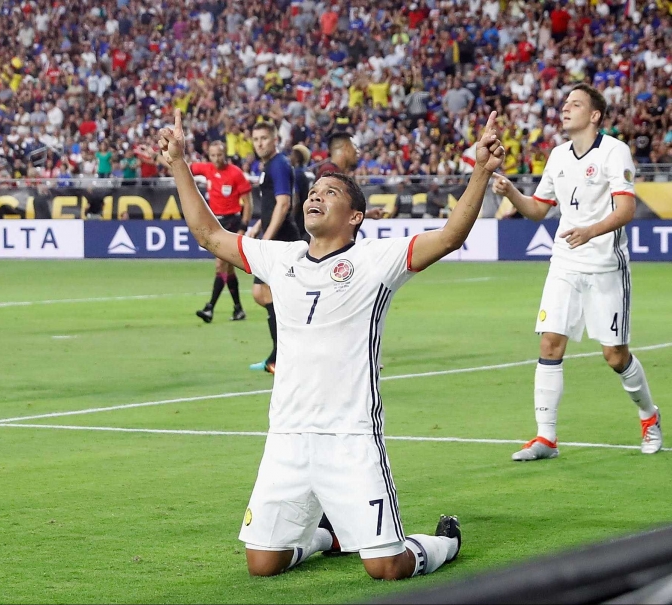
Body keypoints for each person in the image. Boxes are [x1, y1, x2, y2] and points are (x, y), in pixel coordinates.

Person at [158, 108, 504, 580]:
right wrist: (179, 162)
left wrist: (481, 170)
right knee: (263, 564)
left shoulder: (376, 259)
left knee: (386, 566)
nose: (315, 197)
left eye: (331, 193)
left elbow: (449, 236)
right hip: (288, 437)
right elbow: (208, 234)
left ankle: (442, 542)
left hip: (350, 437)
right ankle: (330, 536)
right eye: (314, 192)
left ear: (355, 216)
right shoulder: (282, 258)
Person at [492, 84, 663, 461]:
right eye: (565, 102)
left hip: (605, 266)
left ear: (595, 115)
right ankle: (546, 439)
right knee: (550, 343)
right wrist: (510, 193)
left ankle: (649, 415)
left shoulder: (614, 151)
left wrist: (589, 231)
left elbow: (625, 210)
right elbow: (538, 209)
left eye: (575, 103)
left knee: (615, 356)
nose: (565, 108)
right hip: (564, 264)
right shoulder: (556, 156)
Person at [246, 121, 299, 374]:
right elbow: (271, 206)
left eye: (264, 138)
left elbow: (283, 203)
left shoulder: (278, 165)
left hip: (281, 240)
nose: (259, 143)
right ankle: (279, 356)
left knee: (264, 293)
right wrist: (257, 226)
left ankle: (280, 358)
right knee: (269, 295)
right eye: (256, 139)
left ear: (275, 139)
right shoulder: (268, 166)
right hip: (274, 236)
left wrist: (266, 239)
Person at [190, 141, 253, 322]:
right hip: (215, 222)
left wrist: (243, 225)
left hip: (231, 223)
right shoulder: (207, 169)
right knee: (228, 269)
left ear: (225, 154)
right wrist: (158, 158)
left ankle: (210, 308)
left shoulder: (236, 173)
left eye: (219, 155)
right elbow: (183, 167)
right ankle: (238, 309)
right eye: (213, 155)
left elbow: (248, 202)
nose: (216, 159)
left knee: (220, 265)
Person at [290, 143, 312, 243]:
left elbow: (296, 200)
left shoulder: (297, 173)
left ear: (297, 158)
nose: (290, 157)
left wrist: (291, 220)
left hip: (299, 219)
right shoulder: (306, 173)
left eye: (292, 154)